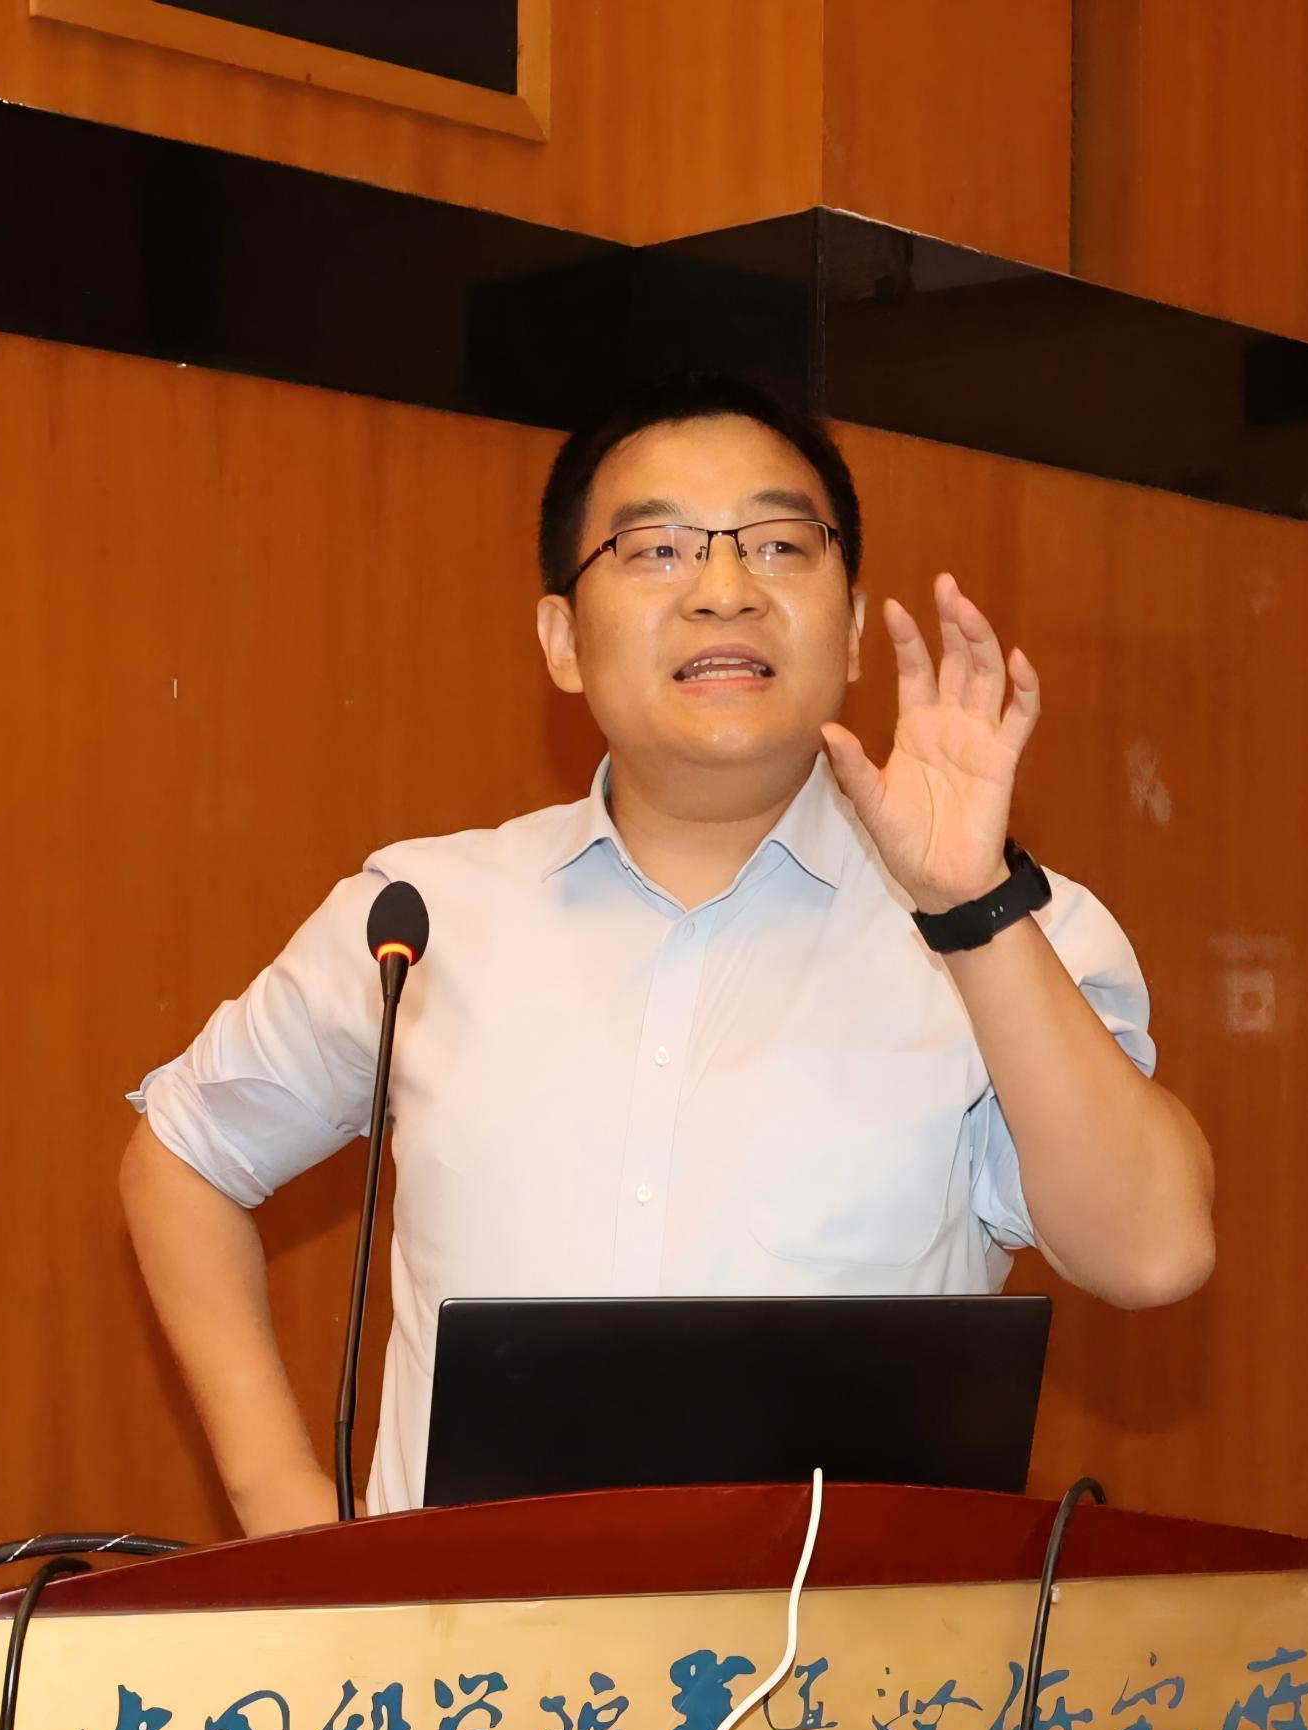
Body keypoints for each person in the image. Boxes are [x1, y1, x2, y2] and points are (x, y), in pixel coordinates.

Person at [122, 375, 1217, 1534]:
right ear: (561, 639)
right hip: (466, 1641)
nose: (724, 591)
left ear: (851, 628)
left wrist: (972, 906)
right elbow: (183, 1158)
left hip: (845, 1646)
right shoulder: (423, 918)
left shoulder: (1012, 929)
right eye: (655, 551)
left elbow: (1151, 1255)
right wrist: (284, 1508)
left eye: (779, 544)